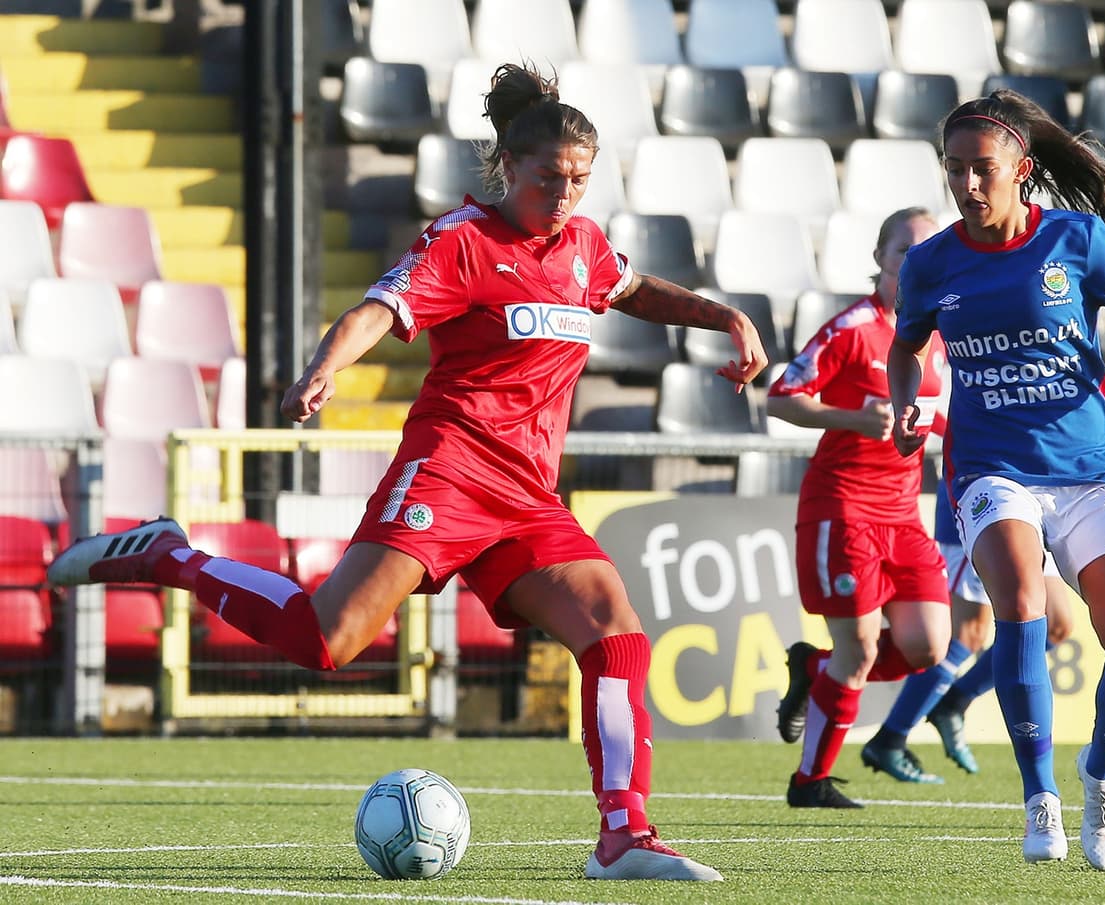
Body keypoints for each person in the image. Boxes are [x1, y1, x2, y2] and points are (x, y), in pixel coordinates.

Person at [47, 62, 769, 883]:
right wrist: (325, 367)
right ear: (510, 165)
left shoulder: (584, 247)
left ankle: (624, 836)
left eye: (578, 180)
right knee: (330, 640)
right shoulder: (463, 240)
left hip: (527, 497)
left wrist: (723, 315)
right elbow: (377, 309)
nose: (564, 195)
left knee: (615, 628)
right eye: (548, 179)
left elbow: (631, 289)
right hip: (450, 471)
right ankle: (167, 555)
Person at [887, 89, 1105, 870]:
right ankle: (1039, 797)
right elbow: (906, 347)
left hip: (1088, 468)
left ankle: (1098, 774)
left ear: (1023, 171)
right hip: (989, 464)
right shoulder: (932, 261)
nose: (969, 186)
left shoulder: (1076, 240)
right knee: (1018, 596)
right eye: (956, 171)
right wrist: (908, 402)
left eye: (984, 170)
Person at [768, 207, 954, 807]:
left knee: (928, 646)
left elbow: (936, 416)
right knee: (861, 649)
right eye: (905, 251)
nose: (916, 261)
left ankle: (815, 671)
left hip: (903, 514)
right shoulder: (853, 328)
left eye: (928, 251)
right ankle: (809, 782)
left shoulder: (941, 335)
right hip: (843, 508)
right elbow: (780, 398)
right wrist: (852, 418)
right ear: (880, 260)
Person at [924, 485, 1075, 775]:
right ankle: (892, 736)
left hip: (1044, 499)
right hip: (989, 496)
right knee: (966, 633)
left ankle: (953, 702)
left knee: (1056, 624)